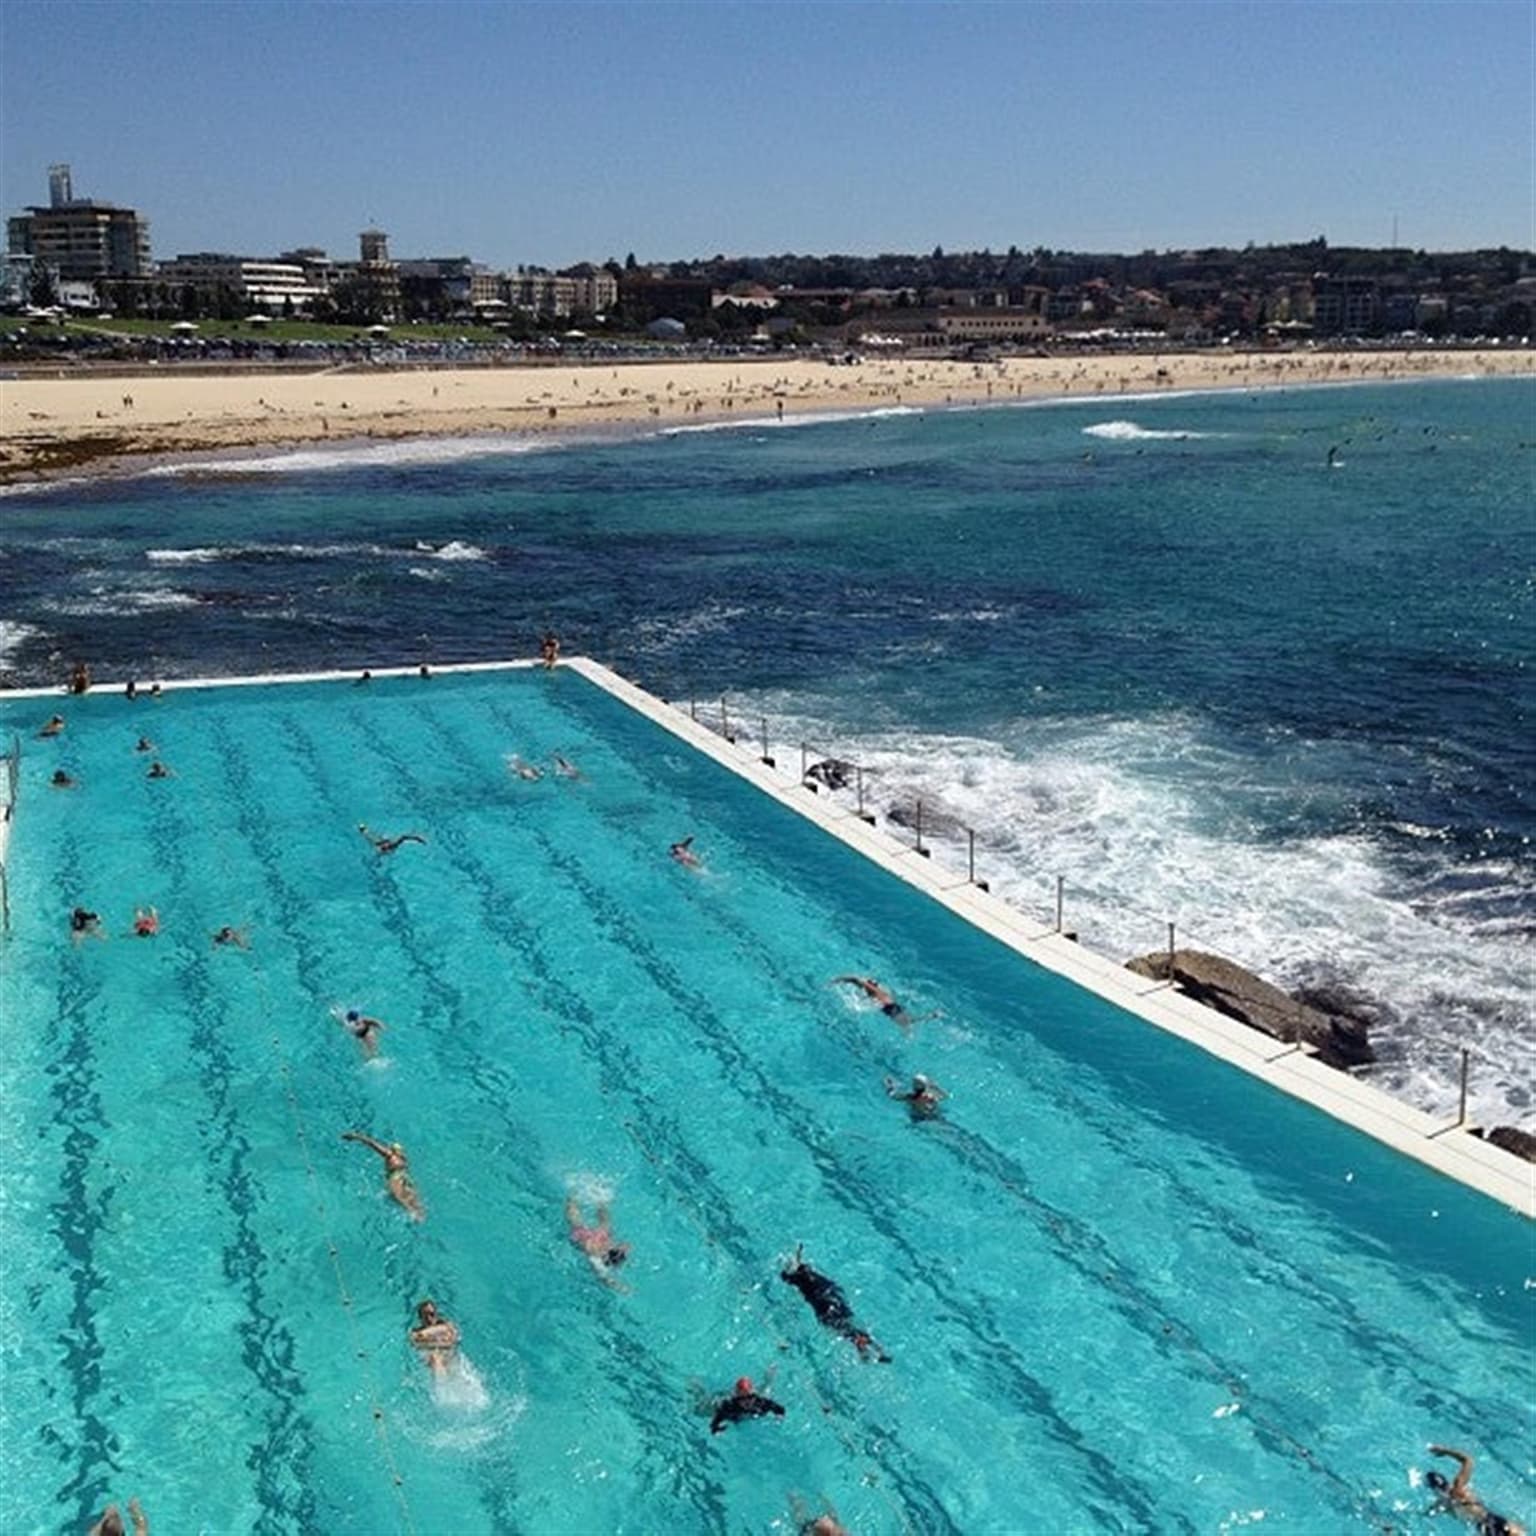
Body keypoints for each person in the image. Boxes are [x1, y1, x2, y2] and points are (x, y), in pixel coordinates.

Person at [780, 1245, 890, 1361]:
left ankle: (865, 1348)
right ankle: (873, 1348)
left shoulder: (798, 1279)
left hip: (825, 1306)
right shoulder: (811, 1274)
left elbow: (786, 1276)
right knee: (847, 1325)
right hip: (834, 1298)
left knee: (843, 1327)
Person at [1426, 1446, 1527, 1536]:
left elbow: (1468, 1461)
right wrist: (1445, 1451)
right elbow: (1468, 1460)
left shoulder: (1447, 1501)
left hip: (1485, 1527)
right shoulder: (1460, 1488)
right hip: (1495, 1519)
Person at [342, 1130, 424, 1220]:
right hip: (400, 1178)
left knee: (405, 1197)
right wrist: (356, 1137)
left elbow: (372, 1143)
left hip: (399, 1177)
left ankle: (415, 1213)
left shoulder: (394, 1157)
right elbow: (372, 1144)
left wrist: (356, 1136)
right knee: (406, 1198)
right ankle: (415, 1213)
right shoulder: (398, 1159)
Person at [832, 975, 939, 1032]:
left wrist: (837, 980)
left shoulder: (871, 989)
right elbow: (854, 979)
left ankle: (930, 1016)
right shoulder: (878, 990)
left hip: (889, 1007)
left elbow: (854, 979)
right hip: (891, 1006)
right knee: (908, 1022)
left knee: (908, 1022)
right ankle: (930, 1016)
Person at [565, 1195, 631, 1286]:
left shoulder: (595, 1259)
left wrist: (619, 1287)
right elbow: (605, 1278)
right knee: (604, 1225)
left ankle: (573, 1198)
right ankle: (599, 1200)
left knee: (578, 1223)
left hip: (584, 1237)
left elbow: (604, 1278)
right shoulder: (600, 1255)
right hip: (590, 1237)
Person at [709, 1375, 786, 1435]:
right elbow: (715, 1421)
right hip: (721, 1404)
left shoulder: (760, 1403)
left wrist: (778, 1418)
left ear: (753, 1396)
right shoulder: (729, 1406)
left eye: (749, 1397)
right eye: (741, 1399)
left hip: (751, 1405)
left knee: (764, 1390)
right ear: (736, 1398)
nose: (746, 1402)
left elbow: (780, 1409)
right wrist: (717, 1430)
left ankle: (767, 1380)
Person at [408, 1299, 460, 1376]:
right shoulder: (415, 1331)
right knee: (434, 1357)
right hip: (431, 1358)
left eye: (431, 1314)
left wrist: (425, 1335)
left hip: (448, 1357)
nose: (429, 1319)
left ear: (436, 1315)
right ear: (420, 1318)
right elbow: (414, 1341)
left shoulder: (446, 1325)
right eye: (425, 1316)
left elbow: (454, 1340)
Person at [358, 823, 427, 855]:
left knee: (372, 837)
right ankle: (363, 829)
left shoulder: (391, 844)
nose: (386, 845)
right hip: (381, 846)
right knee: (372, 838)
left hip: (383, 844)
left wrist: (418, 839)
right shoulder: (380, 846)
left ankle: (363, 829)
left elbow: (404, 837)